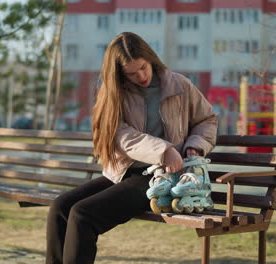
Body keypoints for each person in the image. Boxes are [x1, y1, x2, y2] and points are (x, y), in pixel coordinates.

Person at [46, 32, 217, 264]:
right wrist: (164, 149)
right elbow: (120, 135)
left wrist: (194, 146)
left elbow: (207, 120)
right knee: (60, 207)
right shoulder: (114, 93)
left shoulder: (180, 85)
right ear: (119, 73)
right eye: (131, 73)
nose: (141, 76)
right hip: (123, 172)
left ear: (151, 59)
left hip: (162, 179)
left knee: (83, 215)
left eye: (143, 68)